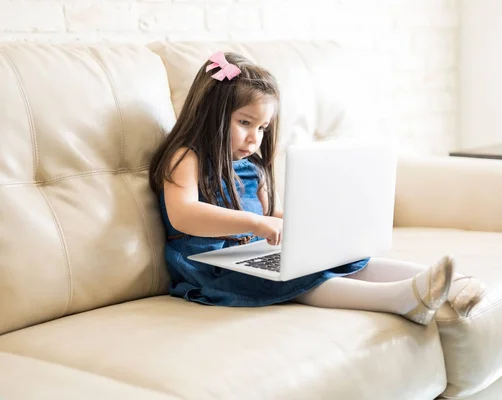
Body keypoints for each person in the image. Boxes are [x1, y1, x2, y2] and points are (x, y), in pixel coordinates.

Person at [149, 51, 483, 326]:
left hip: (251, 255)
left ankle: (451, 284)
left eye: (263, 127)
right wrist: (255, 224)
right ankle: (402, 298)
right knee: (299, 277)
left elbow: (271, 215)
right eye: (245, 123)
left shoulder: (252, 168)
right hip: (209, 268)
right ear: (212, 115)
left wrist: (310, 227)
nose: (255, 138)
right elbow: (185, 215)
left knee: (348, 259)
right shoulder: (186, 157)